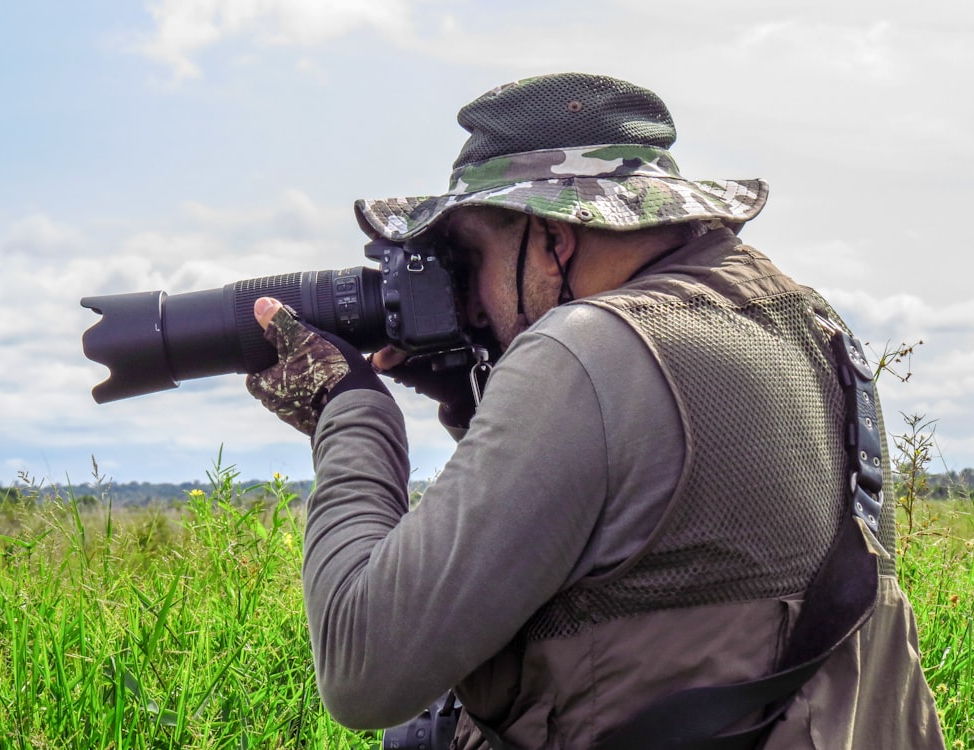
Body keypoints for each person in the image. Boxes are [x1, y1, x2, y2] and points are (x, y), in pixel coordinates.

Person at [245, 73, 945, 749]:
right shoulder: (806, 324)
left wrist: (349, 411)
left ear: (552, 240)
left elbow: (364, 672)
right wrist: (473, 402)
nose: (468, 301)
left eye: (469, 258)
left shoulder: (587, 350)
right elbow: (650, 545)